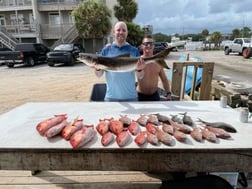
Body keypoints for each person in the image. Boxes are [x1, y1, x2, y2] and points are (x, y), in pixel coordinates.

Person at [93, 21, 145, 101]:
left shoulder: (134, 51)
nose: (121, 32)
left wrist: (140, 69)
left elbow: (140, 76)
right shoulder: (106, 50)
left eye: (124, 30)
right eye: (118, 30)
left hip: (131, 97)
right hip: (110, 98)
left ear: (127, 33)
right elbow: (99, 75)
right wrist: (97, 68)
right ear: (114, 32)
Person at [136, 35, 172, 101]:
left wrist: (168, 93)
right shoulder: (137, 61)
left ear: (153, 46)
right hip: (139, 96)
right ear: (142, 46)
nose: (148, 46)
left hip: (154, 96)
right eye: (146, 44)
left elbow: (164, 79)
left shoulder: (158, 61)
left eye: (151, 44)